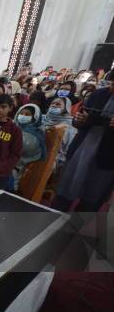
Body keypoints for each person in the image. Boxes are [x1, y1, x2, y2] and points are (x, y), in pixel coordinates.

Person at [52, 75, 114, 214]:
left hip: (107, 157)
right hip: (83, 148)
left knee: (92, 197)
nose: (112, 88)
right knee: (66, 188)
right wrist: (79, 120)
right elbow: (79, 118)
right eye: (112, 84)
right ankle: (53, 219)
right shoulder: (99, 94)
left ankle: (76, 230)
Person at [12, 104, 46, 189]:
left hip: (17, 170)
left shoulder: (34, 135)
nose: (23, 116)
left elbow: (16, 148)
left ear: (35, 117)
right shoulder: (15, 127)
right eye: (21, 113)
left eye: (27, 114)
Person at [41, 97, 77, 172]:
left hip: (53, 161)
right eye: (52, 103)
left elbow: (66, 150)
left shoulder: (70, 127)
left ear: (66, 108)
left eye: (58, 104)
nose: (54, 105)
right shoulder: (41, 119)